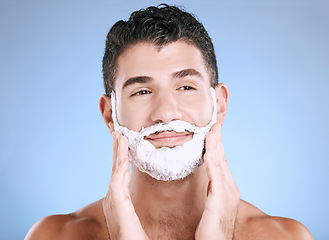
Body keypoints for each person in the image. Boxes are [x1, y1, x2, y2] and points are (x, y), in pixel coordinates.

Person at [25, 4, 314, 240]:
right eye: (142, 91)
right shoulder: (53, 236)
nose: (166, 111)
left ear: (220, 104)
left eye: (186, 87)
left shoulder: (284, 237)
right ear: (110, 114)